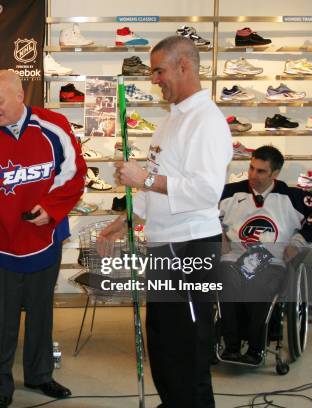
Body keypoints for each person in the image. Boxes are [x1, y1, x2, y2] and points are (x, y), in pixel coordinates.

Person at [97, 36, 232, 407]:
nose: (154, 79)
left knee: (188, 346)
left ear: (184, 67)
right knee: (162, 339)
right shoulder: (172, 120)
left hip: (190, 247)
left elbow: (206, 191)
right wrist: (126, 219)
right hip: (165, 246)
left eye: (159, 71)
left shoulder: (206, 121)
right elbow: (157, 181)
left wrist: (146, 179)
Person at [0, 70, 87, 408]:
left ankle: (40, 374)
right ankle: (0, 387)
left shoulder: (53, 125)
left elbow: (74, 173)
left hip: (44, 236)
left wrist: (52, 208)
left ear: (19, 96)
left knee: (42, 312)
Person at [218, 145, 312, 365]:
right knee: (226, 283)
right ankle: (231, 346)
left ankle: (256, 348)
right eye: (251, 168)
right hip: (233, 258)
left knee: (260, 285)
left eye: (261, 171)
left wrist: (298, 242)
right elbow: (203, 213)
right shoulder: (229, 192)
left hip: (270, 259)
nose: (253, 175)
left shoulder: (294, 197)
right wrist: (220, 235)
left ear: (275, 173)